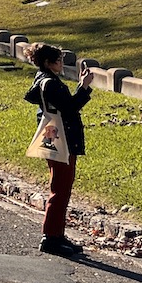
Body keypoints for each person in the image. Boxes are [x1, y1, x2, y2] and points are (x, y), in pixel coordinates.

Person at [24, 43, 92, 258]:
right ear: (48, 62)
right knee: (60, 188)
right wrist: (84, 87)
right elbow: (70, 108)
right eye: (59, 60)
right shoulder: (50, 84)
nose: (62, 64)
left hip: (54, 136)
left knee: (62, 187)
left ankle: (57, 234)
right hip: (62, 138)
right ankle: (50, 238)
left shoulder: (42, 79)